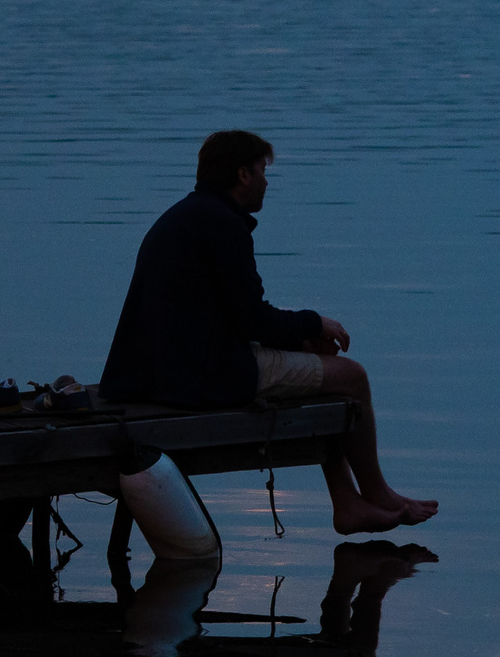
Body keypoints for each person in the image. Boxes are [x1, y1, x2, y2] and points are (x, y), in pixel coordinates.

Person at [100, 130, 437, 536]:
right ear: (243, 174)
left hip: (159, 368)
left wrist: (300, 342)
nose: (266, 180)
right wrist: (315, 324)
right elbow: (252, 321)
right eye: (262, 170)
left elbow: (231, 316)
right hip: (200, 376)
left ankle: (348, 503)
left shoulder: (188, 216)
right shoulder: (222, 225)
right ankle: (376, 493)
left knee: (320, 371)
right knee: (351, 377)